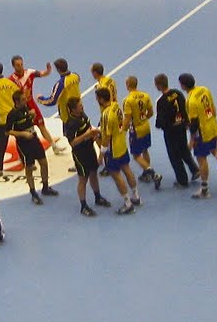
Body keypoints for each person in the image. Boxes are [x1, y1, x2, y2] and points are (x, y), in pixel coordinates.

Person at [2, 88, 55, 204]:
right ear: (17, 101)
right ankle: (33, 193)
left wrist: (33, 115)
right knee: (29, 167)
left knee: (44, 162)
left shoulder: (26, 107)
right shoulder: (12, 114)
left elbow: (29, 119)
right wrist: (23, 134)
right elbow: (7, 132)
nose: (26, 100)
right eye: (23, 99)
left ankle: (45, 187)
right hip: (23, 143)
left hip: (34, 139)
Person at [60, 95, 110, 216]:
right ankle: (83, 206)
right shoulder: (70, 124)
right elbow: (72, 143)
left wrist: (95, 133)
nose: (82, 106)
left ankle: (98, 197)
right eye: (79, 105)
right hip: (80, 154)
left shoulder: (83, 115)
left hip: (89, 149)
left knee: (93, 173)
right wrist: (86, 135)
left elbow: (89, 128)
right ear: (73, 109)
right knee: (83, 179)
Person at [94, 86, 140, 214]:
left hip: (112, 150)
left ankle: (128, 203)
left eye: (97, 98)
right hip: (122, 144)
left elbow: (106, 137)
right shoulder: (116, 106)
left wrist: (101, 155)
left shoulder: (106, 114)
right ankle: (136, 196)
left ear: (101, 99)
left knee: (116, 175)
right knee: (127, 169)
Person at [152, 73, 197, 190]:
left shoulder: (161, 101)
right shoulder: (178, 93)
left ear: (158, 85)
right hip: (181, 127)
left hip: (171, 132)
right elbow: (184, 109)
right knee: (184, 149)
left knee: (174, 156)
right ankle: (195, 169)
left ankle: (182, 180)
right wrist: (186, 122)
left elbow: (160, 121)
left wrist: (159, 125)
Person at [179, 72, 217, 200]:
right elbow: (213, 108)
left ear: (183, 86)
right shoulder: (204, 89)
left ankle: (204, 189)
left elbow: (194, 123)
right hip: (212, 126)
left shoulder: (190, 101)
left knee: (201, 159)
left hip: (202, 132)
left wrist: (191, 140)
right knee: (215, 150)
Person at [123, 75, 160, 188]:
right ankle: (146, 173)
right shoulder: (145, 95)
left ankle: (152, 173)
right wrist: (143, 119)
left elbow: (127, 118)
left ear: (127, 85)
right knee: (145, 150)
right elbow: (151, 112)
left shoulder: (128, 100)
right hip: (146, 127)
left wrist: (123, 131)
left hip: (136, 130)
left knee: (136, 155)